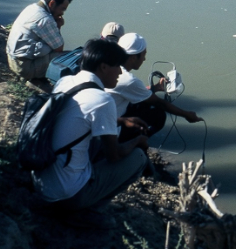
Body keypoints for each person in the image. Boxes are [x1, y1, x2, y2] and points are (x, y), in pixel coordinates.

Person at [32, 38, 149, 230]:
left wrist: (120, 121)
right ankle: (87, 210)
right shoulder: (103, 100)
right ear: (104, 67)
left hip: (41, 183)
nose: (120, 72)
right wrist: (139, 140)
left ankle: (78, 201)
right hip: (68, 195)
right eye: (117, 66)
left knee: (96, 140)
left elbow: (78, 116)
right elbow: (115, 156)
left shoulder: (65, 81)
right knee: (138, 158)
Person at [110, 32, 203, 142]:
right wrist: (187, 115)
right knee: (158, 114)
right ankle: (136, 141)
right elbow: (160, 103)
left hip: (109, 118)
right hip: (112, 129)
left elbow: (130, 91)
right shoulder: (128, 79)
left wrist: (155, 88)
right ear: (134, 57)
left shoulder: (109, 66)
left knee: (142, 104)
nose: (144, 59)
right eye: (144, 54)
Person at [6, 0, 72, 83]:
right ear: (52, 3)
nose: (62, 13)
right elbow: (59, 48)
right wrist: (58, 26)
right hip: (25, 68)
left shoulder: (32, 8)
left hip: (12, 61)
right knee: (71, 59)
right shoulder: (45, 19)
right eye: (62, 9)